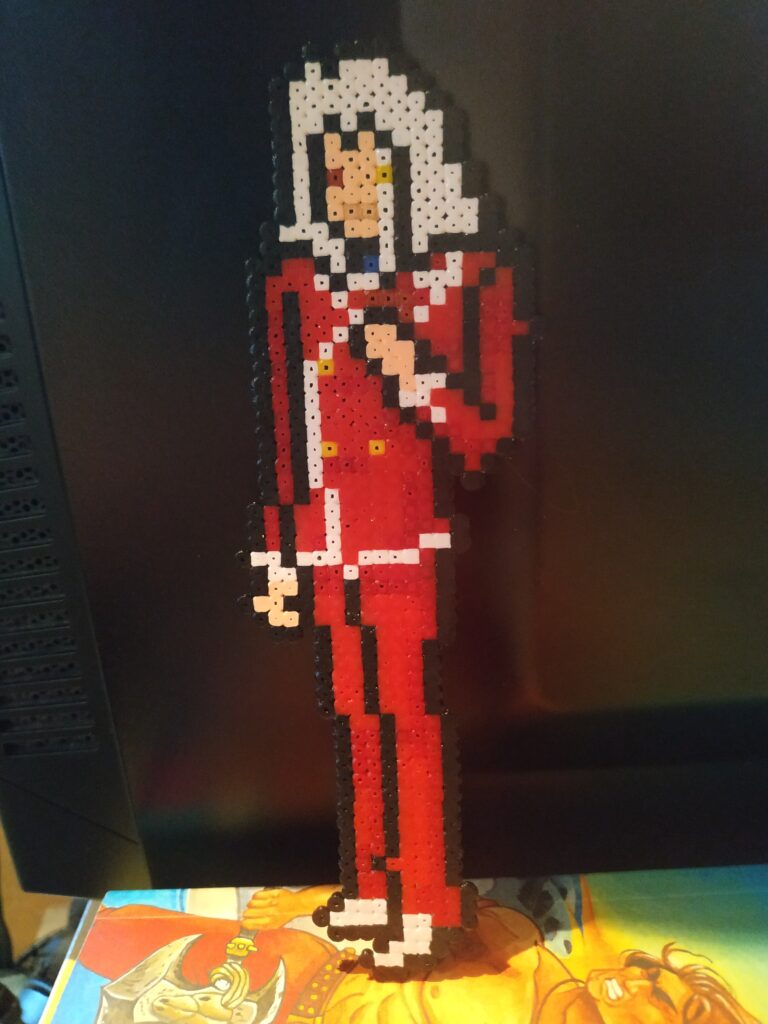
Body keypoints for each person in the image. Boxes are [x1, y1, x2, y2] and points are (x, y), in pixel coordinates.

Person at [246, 47, 531, 970]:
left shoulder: (454, 277)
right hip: (329, 549)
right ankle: (376, 890)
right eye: (335, 172)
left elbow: (482, 427)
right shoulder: (296, 289)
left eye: (369, 170)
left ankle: (427, 900)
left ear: (406, 172)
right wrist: (279, 552)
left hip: (407, 549)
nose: (353, 191)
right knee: (359, 727)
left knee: (409, 729)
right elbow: (289, 433)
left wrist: (407, 360)